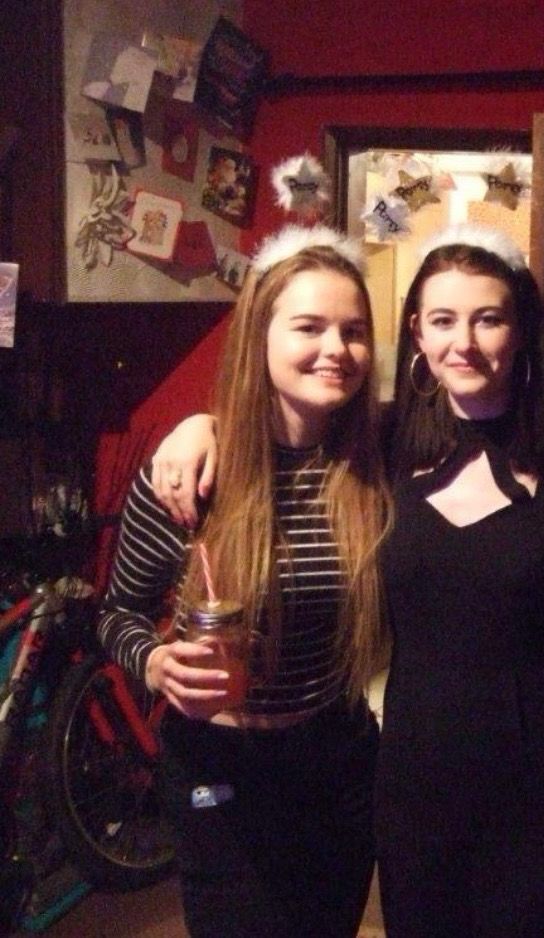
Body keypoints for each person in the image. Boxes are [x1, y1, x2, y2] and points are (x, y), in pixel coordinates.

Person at [148, 224, 544, 937]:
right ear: (416, 333)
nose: (466, 342)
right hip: (411, 771)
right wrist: (199, 424)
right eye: (443, 320)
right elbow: (269, 433)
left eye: (489, 318)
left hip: (530, 771)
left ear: (522, 330)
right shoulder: (381, 450)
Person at [97, 226, 389, 937]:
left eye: (353, 331)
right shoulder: (191, 475)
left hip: (338, 760)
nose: (336, 349)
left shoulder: (375, 465)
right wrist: (158, 664)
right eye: (309, 327)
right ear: (260, 334)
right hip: (222, 765)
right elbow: (118, 614)